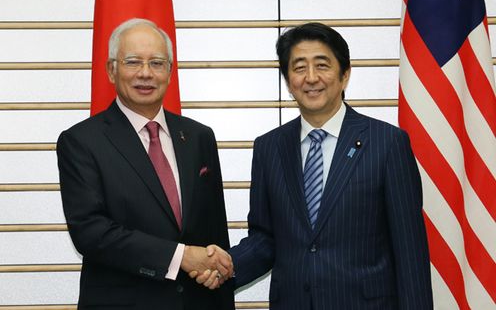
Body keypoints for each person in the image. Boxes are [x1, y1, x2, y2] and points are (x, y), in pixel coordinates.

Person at [195, 22, 433, 309]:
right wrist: (227, 265)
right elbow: (266, 238)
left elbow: (410, 252)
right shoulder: (269, 147)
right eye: (298, 67)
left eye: (322, 65)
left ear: (344, 75)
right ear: (287, 80)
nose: (311, 78)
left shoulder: (387, 143)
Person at [57, 18, 234, 310]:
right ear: (111, 70)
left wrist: (215, 270)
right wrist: (180, 257)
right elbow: (91, 233)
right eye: (132, 62)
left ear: (170, 71)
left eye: (156, 63)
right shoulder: (81, 142)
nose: (145, 73)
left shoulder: (199, 137)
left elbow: (215, 231)